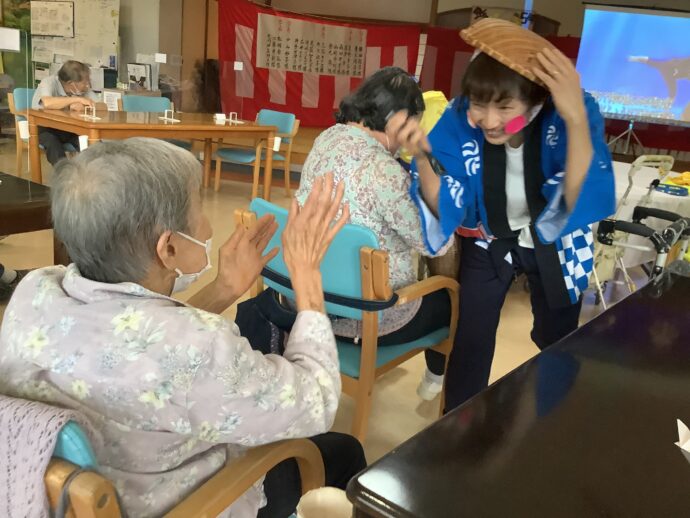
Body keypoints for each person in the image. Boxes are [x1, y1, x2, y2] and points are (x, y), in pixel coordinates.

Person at [0, 138, 365, 518]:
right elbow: (317, 401)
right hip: (189, 503)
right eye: (199, 208)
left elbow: (135, 342)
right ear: (168, 248)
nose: (207, 225)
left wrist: (223, 289)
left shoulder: (34, 292)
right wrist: (307, 276)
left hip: (56, 493)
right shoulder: (199, 349)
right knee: (343, 451)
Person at [390, 30, 616, 411]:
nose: (489, 120)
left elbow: (582, 186)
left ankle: (552, 419)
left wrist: (575, 117)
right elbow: (444, 195)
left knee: (559, 339)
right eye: (479, 104)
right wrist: (423, 158)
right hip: (490, 238)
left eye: (505, 107)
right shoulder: (460, 117)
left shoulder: (567, 111)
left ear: (536, 100)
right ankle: (459, 423)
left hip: (557, 241)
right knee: (470, 336)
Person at [293, 67, 453, 400]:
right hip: (366, 319)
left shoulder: (326, 138)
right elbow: (437, 244)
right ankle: (435, 379)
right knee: (450, 298)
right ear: (401, 119)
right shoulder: (384, 170)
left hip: (309, 301)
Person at [31, 60, 98, 165]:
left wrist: (85, 107)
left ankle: (97, 171)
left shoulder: (82, 90)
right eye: (85, 82)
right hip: (45, 128)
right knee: (53, 145)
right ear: (71, 83)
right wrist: (76, 100)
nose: (88, 85)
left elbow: (101, 106)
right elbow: (47, 103)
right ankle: (65, 174)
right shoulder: (48, 82)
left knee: (93, 142)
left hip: (69, 129)